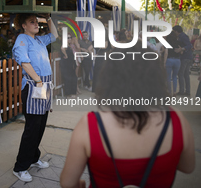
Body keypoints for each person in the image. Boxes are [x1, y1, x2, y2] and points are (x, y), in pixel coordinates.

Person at [60, 43, 195, 188]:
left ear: (109, 77)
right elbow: (188, 167)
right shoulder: (175, 119)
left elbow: (67, 183)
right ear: (155, 77)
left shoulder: (90, 124)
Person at [12, 13, 58, 182]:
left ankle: (33, 157)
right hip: (34, 85)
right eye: (32, 22)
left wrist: (50, 18)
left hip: (43, 85)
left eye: (37, 21)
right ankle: (20, 167)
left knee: (40, 126)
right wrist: (38, 81)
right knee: (32, 129)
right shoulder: (22, 39)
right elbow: (24, 62)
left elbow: (55, 35)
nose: (36, 24)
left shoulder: (38, 40)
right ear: (23, 25)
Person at [173, 25, 193, 96]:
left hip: (185, 58)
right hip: (188, 57)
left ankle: (182, 91)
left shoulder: (183, 36)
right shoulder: (183, 36)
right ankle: (187, 91)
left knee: (181, 73)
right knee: (186, 74)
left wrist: (182, 49)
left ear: (176, 31)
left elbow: (189, 45)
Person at [163, 32, 182, 96]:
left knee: (168, 77)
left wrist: (164, 62)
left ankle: (169, 92)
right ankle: (174, 92)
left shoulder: (167, 43)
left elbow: (166, 53)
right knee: (175, 76)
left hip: (169, 60)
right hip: (177, 60)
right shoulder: (178, 43)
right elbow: (181, 52)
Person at [60, 32, 78, 98]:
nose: (70, 39)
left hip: (71, 64)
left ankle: (72, 93)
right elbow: (62, 48)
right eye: (68, 38)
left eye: (70, 38)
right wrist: (66, 55)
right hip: (66, 64)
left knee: (73, 78)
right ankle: (68, 94)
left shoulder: (69, 45)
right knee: (68, 79)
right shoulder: (65, 45)